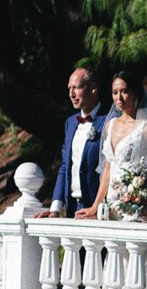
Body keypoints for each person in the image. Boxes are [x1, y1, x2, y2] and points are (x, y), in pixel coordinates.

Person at [76, 71, 147, 223]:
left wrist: (142, 197)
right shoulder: (110, 125)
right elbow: (108, 170)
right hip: (111, 205)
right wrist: (95, 206)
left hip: (134, 209)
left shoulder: (145, 129)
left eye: (124, 91)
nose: (118, 98)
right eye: (115, 92)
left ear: (135, 93)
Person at [37, 68, 109, 218]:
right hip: (73, 208)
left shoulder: (110, 120)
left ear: (93, 88)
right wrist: (55, 208)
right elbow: (65, 165)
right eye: (69, 88)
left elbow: (111, 167)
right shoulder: (70, 123)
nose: (71, 94)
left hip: (99, 209)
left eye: (76, 87)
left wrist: (98, 206)